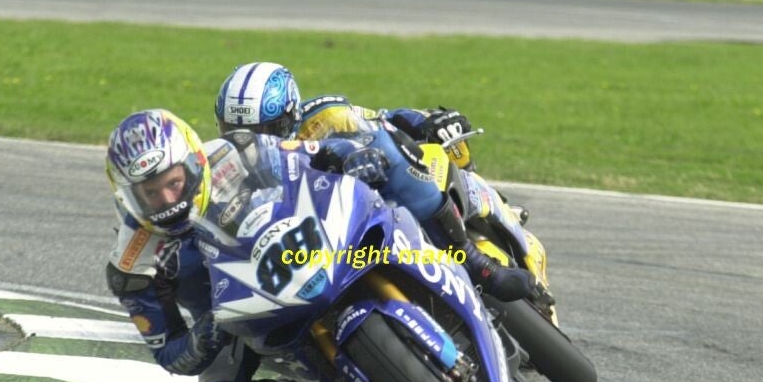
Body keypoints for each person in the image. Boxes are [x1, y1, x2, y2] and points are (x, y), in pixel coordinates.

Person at [213, 61, 535, 302]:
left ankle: (473, 259)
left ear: (291, 115)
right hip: (322, 250)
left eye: (265, 130)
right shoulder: (233, 175)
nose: (252, 141)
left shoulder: (326, 117)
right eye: (234, 131)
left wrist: (425, 121)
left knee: (424, 152)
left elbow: (385, 119)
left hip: (378, 198)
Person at [105, 109, 330, 382]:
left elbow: (317, 157)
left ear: (193, 163)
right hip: (235, 320)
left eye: (174, 183)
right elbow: (169, 354)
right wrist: (203, 337)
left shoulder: (239, 151)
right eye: (151, 193)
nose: (168, 200)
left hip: (304, 250)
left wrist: (349, 155)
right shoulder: (132, 264)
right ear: (128, 196)